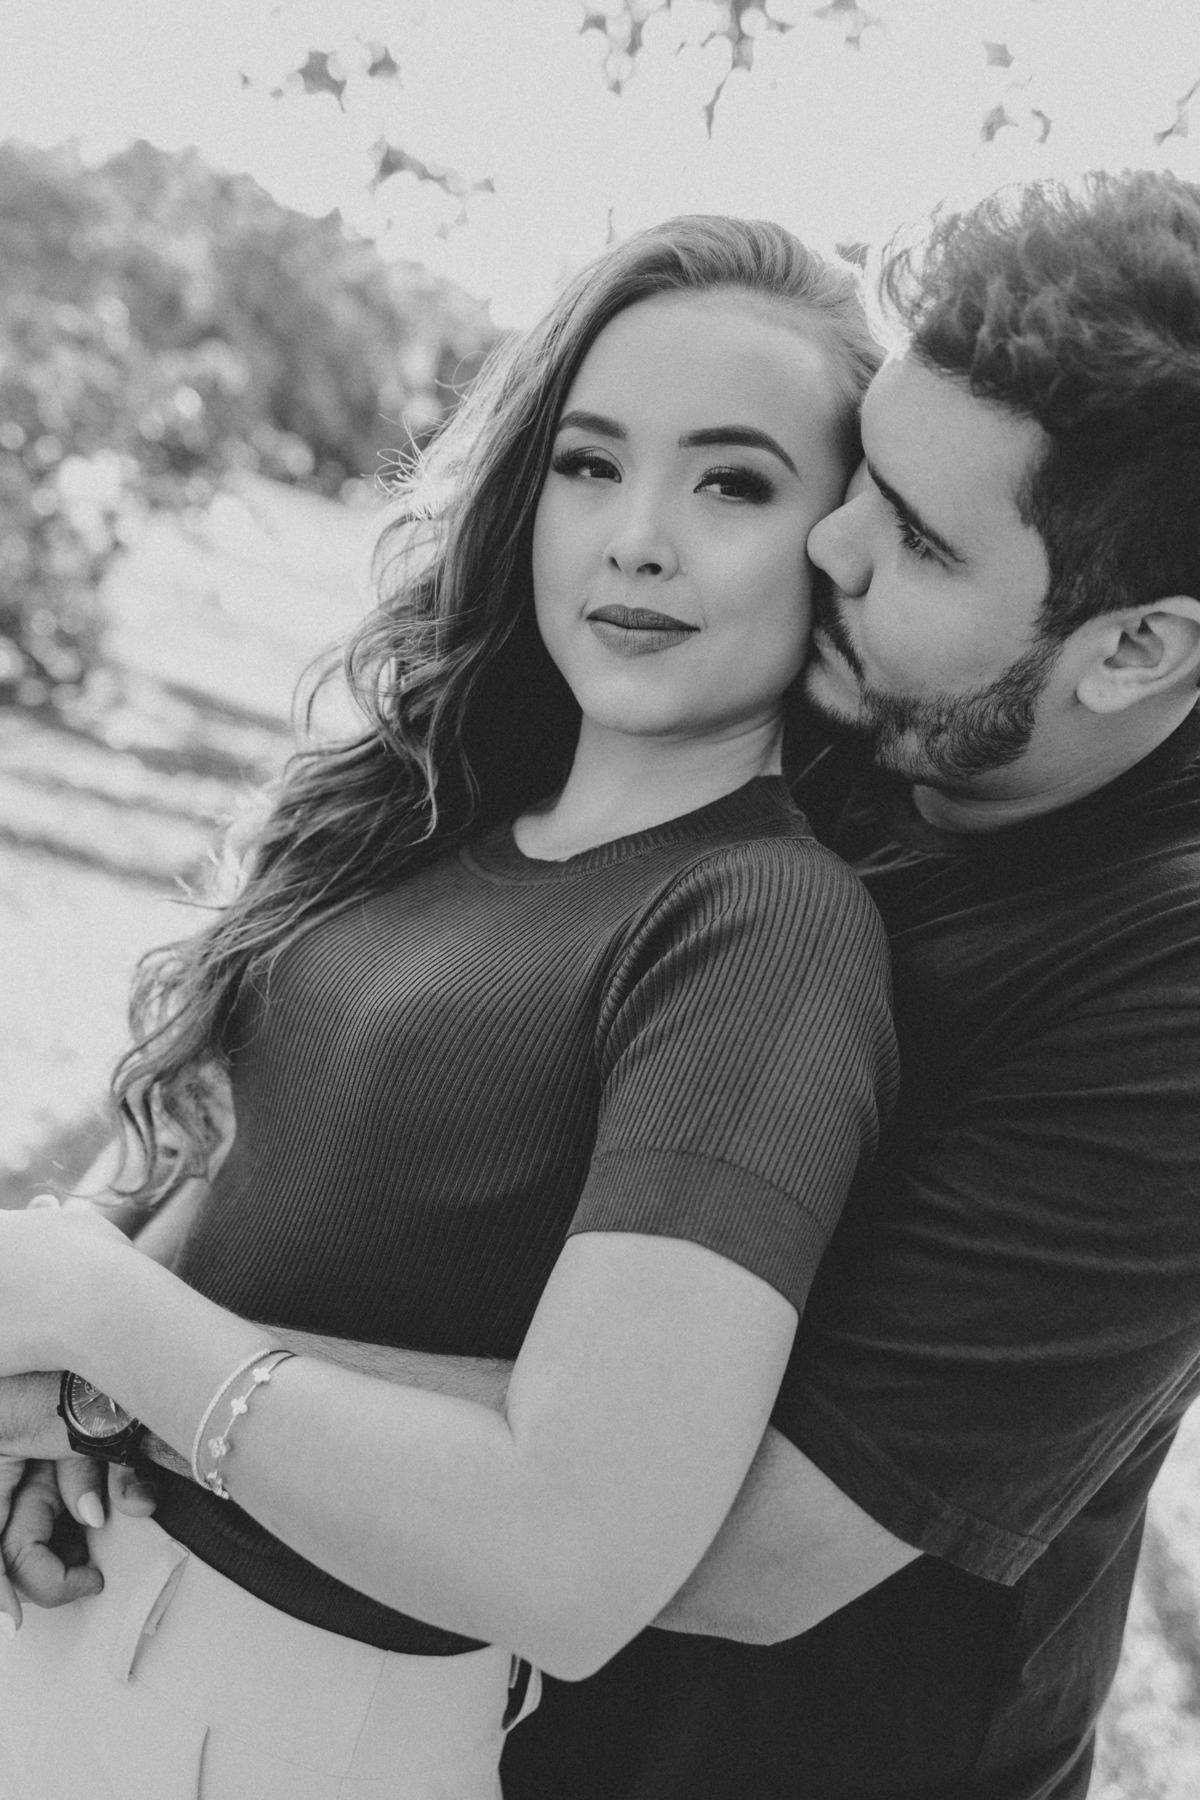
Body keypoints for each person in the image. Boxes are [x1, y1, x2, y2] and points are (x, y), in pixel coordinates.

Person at [0, 214, 898, 1800]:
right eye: (590, 463)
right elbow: (230, 1181)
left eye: (734, 484)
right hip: (74, 1623)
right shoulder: (425, 818)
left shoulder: (762, 924)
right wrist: (47, 1404)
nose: (637, 538)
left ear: (841, 543)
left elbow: (576, 1552)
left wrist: (93, 1319)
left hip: (292, 1725)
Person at [492, 168, 1200, 1800]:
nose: (832, 541)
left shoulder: (1167, 995)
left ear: (1136, 651)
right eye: (868, 470)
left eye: (924, 542)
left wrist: (173, 1376)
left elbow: (742, 1553)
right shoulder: (856, 702)